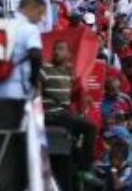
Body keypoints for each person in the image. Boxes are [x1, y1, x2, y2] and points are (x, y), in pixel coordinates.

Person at [41, 39, 96, 171]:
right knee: (90, 128)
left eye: (60, 49)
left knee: (78, 135)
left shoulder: (69, 72)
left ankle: (76, 165)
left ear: (68, 54)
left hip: (64, 114)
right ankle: (85, 169)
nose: (56, 52)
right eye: (55, 49)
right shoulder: (45, 69)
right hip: (53, 114)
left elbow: (68, 97)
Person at [0, 0, 45, 100]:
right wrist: (34, 82)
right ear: (31, 8)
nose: (40, 19)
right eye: (40, 13)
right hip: (17, 89)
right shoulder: (30, 28)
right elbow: (35, 55)